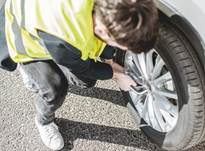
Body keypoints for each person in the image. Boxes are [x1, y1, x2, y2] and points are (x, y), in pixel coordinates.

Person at [3, 0, 159, 150]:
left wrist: (110, 61)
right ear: (100, 31)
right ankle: (44, 121)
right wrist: (117, 74)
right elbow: (84, 67)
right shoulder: (65, 38)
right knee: (55, 88)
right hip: (25, 37)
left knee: (87, 80)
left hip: (49, 21)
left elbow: (100, 44)